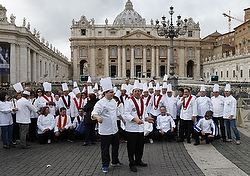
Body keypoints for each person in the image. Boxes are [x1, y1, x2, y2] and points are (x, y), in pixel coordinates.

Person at [92, 77, 125, 173]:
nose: (113, 94)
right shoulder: (100, 103)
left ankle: (115, 161)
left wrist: (122, 119)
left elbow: (117, 112)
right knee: (105, 149)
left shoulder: (114, 102)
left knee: (116, 146)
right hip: (105, 131)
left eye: (113, 92)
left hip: (114, 129)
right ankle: (105, 165)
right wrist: (98, 117)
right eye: (111, 92)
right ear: (105, 93)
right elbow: (94, 113)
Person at [124, 82, 154, 172]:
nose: (137, 92)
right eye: (135, 91)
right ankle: (131, 163)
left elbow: (143, 113)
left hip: (141, 128)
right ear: (132, 92)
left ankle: (138, 160)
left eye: (138, 91)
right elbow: (126, 114)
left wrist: (146, 118)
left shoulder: (142, 101)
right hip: (132, 128)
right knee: (131, 147)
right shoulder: (129, 101)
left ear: (140, 92)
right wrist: (135, 119)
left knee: (140, 146)